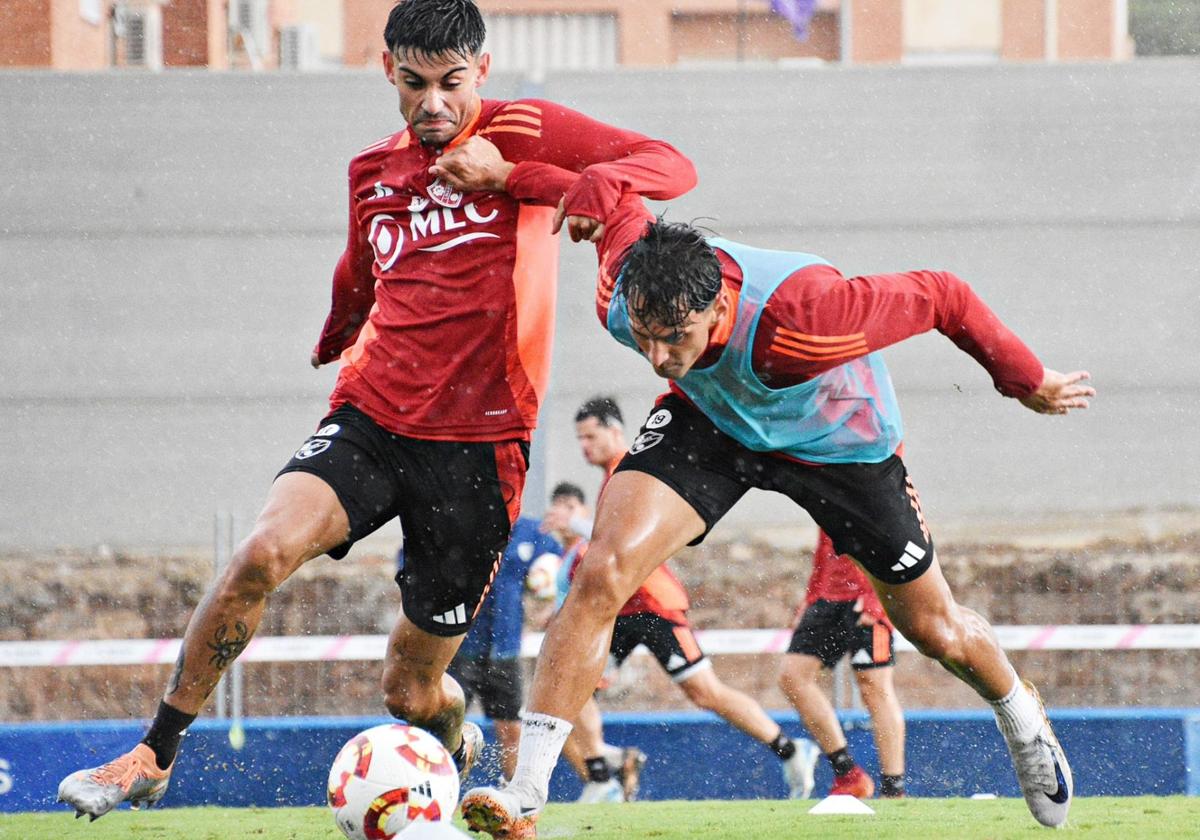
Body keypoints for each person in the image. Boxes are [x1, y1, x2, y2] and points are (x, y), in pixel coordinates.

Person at [56, 0, 696, 820]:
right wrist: (336, 329)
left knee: (410, 691)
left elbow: (669, 167)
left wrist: (513, 180)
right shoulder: (370, 172)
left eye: (452, 84)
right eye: (414, 82)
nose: (434, 104)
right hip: (372, 416)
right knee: (260, 552)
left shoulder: (525, 129)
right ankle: (154, 754)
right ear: (386, 71)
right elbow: (358, 271)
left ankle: (453, 739)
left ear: (482, 72)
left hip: (479, 448)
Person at [460, 186, 1094, 837]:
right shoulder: (623, 296)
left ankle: (1023, 718)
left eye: (675, 338)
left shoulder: (808, 314)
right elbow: (623, 180)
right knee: (603, 571)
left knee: (935, 630)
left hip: (841, 447)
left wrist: (1027, 379)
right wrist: (519, 172)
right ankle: (525, 794)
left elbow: (944, 293)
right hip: (712, 422)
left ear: (721, 306)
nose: (655, 357)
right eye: (646, 337)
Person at [541, 399, 820, 803]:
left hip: (655, 605)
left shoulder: (631, 469)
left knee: (704, 691)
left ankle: (792, 749)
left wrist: (576, 526)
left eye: (591, 435)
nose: (584, 446)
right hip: (621, 607)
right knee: (572, 679)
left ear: (615, 430)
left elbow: (624, 538)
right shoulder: (608, 478)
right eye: (579, 438)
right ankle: (601, 776)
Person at [398, 516, 561, 782]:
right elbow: (409, 564)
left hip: (505, 650)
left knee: (511, 727)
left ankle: (515, 795)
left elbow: (557, 563)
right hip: (459, 648)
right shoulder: (453, 522)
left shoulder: (528, 531)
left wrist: (546, 601)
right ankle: (432, 787)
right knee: (444, 724)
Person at [540, 483, 648, 804]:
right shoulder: (567, 554)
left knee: (570, 704)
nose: (561, 515)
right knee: (558, 715)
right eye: (557, 508)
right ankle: (613, 765)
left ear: (584, 512)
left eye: (571, 508)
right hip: (571, 641)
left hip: (588, 642)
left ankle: (601, 776)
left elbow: (597, 589)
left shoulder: (589, 548)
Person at [779, 531, 907, 799]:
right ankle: (847, 772)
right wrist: (812, 595)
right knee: (792, 677)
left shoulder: (885, 488)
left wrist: (879, 597)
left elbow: (897, 533)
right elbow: (828, 537)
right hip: (828, 596)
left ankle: (893, 790)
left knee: (874, 688)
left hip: (870, 593)